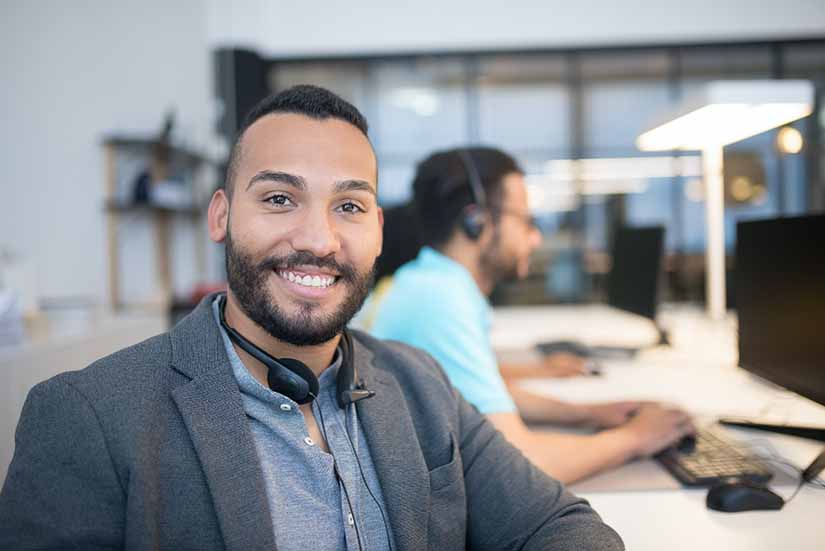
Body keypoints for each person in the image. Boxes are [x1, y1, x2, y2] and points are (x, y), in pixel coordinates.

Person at [0, 86, 623, 550]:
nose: (319, 240)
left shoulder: (420, 384)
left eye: (348, 205)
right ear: (221, 216)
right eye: (279, 198)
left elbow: (561, 527)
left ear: (378, 231)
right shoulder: (85, 418)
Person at [370, 147, 694, 485]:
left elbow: (477, 393)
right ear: (476, 220)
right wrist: (637, 438)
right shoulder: (440, 299)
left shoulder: (432, 281)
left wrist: (586, 414)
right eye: (526, 220)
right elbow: (519, 466)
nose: (536, 237)